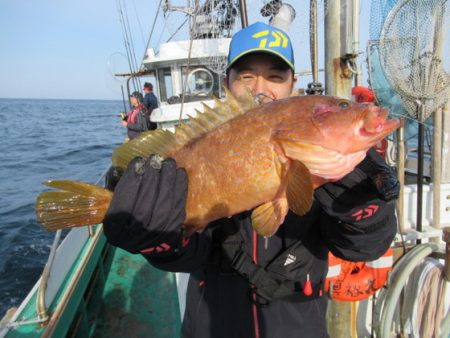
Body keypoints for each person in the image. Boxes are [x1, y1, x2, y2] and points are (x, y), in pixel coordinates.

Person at [103, 22, 399, 338]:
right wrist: (159, 240)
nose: (260, 88)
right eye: (246, 76)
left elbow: (362, 249)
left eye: (275, 76)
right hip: (212, 323)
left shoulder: (333, 162)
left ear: (292, 84)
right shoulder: (212, 138)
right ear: (228, 82)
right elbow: (190, 254)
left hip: (300, 325)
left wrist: (362, 207)